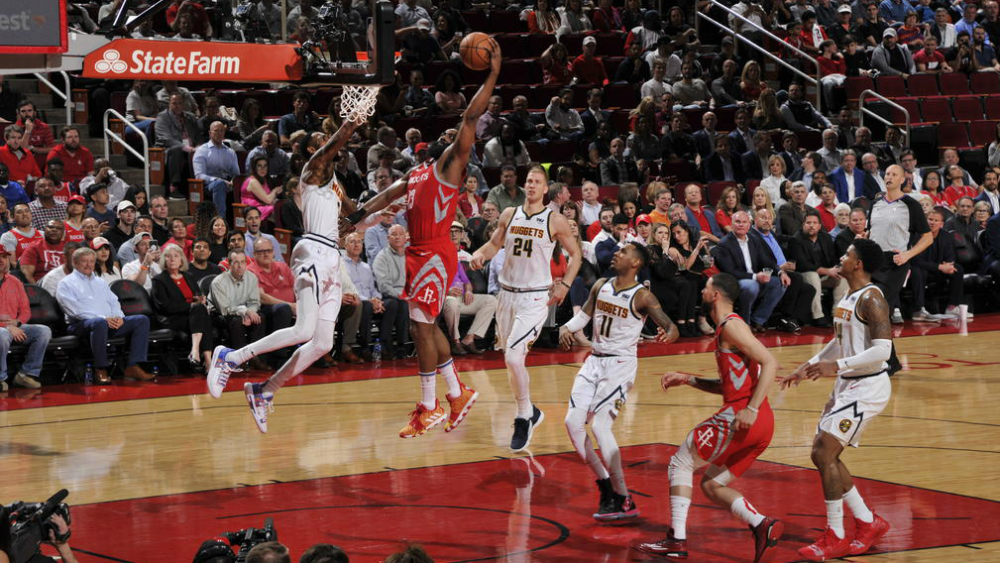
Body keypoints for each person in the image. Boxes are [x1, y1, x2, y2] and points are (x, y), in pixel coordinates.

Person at [349, 39, 502, 438]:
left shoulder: (450, 167)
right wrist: (357, 214)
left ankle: (429, 406)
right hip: (419, 253)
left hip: (435, 252)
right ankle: (456, 394)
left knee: (421, 330)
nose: (454, 135)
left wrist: (494, 73)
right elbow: (385, 195)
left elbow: (470, 118)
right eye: (448, 135)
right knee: (428, 329)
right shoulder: (415, 174)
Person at [205, 116, 360, 432]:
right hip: (313, 249)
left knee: (322, 344)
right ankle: (232, 358)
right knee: (304, 330)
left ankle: (264, 390)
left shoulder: (334, 184)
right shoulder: (311, 171)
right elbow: (335, 143)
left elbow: (352, 212)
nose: (326, 143)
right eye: (320, 140)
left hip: (331, 254)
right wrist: (350, 124)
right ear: (313, 151)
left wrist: (377, 205)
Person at [637, 272, 782, 563]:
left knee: (681, 461)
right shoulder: (728, 329)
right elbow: (731, 386)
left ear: (715, 295)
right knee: (711, 485)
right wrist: (687, 379)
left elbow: (770, 361)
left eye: (705, 288)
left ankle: (675, 540)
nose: (701, 291)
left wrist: (750, 409)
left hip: (745, 416)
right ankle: (761, 523)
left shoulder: (730, 325)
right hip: (761, 423)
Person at [779, 238, 893, 561]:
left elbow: (883, 351)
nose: (842, 257)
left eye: (847, 254)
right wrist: (809, 365)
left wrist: (836, 366)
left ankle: (836, 535)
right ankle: (868, 522)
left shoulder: (872, 298)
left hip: (868, 386)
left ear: (857, 265)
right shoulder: (850, 295)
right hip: (848, 384)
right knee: (823, 454)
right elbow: (839, 340)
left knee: (823, 451)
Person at [561, 243, 678, 521]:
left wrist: (669, 335)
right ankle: (605, 484)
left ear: (636, 263)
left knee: (601, 426)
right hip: (593, 361)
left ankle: (624, 498)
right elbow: (584, 316)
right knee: (572, 423)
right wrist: (566, 328)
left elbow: (671, 327)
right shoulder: (601, 284)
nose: (616, 253)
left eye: (623, 252)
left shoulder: (643, 297)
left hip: (620, 365)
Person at [471, 164, 583, 451]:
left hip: (534, 298)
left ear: (545, 189)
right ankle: (530, 410)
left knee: (513, 357)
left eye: (537, 182)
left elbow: (576, 255)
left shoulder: (554, 220)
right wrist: (479, 254)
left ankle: (523, 416)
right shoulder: (510, 214)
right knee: (513, 360)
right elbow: (494, 245)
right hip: (506, 296)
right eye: (529, 181)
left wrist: (566, 285)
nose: (531, 185)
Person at [57, 247, 154, 384]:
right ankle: (101, 369)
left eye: (91, 261)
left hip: (108, 323)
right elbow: (75, 310)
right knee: (99, 323)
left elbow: (114, 301)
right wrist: (104, 319)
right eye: (84, 261)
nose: (89, 264)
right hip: (80, 325)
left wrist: (118, 317)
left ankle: (133, 366)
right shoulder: (66, 283)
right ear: (75, 263)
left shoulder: (100, 282)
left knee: (141, 320)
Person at [869, 165, 933, 326]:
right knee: (878, 311)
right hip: (874, 260)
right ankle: (885, 350)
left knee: (877, 305)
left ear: (902, 179)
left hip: (895, 261)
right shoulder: (875, 203)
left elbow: (928, 237)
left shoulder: (911, 205)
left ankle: (884, 349)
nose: (889, 177)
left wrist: (907, 255)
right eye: (887, 174)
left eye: (894, 174)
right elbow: (871, 231)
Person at [711, 211, 788, 333]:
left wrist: (780, 273)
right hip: (736, 282)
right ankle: (744, 323)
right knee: (751, 285)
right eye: (738, 222)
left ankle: (758, 320)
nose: (741, 225)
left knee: (779, 283)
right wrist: (755, 276)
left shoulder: (753, 240)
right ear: (731, 224)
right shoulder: (724, 244)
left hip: (756, 279)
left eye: (744, 222)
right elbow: (730, 271)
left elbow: (766, 261)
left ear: (749, 225)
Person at [152, 244, 214, 369]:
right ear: (164, 260)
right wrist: (191, 306)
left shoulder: (188, 277)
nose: (172, 259)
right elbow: (165, 307)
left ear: (181, 260)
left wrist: (200, 300)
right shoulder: (159, 280)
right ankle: (207, 361)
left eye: (176, 256)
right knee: (200, 313)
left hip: (193, 316)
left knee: (200, 311)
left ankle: (198, 354)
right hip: (172, 318)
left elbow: (198, 295)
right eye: (168, 256)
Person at [0, 244, 52, 390]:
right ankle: (1, 379)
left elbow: (25, 310)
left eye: (4, 256)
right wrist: (8, 327)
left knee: (43, 331)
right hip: (4, 330)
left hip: (13, 326)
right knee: (2, 335)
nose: (1, 260)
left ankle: (26, 374)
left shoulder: (15, 281)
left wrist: (17, 323)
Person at [442, 223, 497, 355]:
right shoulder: (438, 256)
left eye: (457, 231)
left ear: (462, 235)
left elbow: (467, 281)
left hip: (462, 297)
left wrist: (468, 290)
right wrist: (447, 291)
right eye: (451, 231)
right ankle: (455, 341)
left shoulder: (462, 258)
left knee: (491, 300)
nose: (454, 234)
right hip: (445, 298)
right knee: (452, 301)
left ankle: (469, 338)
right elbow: (432, 282)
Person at [194, 121, 241, 220]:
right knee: (220, 184)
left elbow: (236, 175)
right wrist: (217, 180)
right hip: (208, 186)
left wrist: (233, 182)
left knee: (243, 184)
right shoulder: (202, 151)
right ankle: (220, 221)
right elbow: (199, 175)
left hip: (228, 183)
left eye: (222, 131)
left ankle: (241, 223)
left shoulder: (230, 152)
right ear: (210, 133)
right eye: (216, 131)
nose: (219, 133)